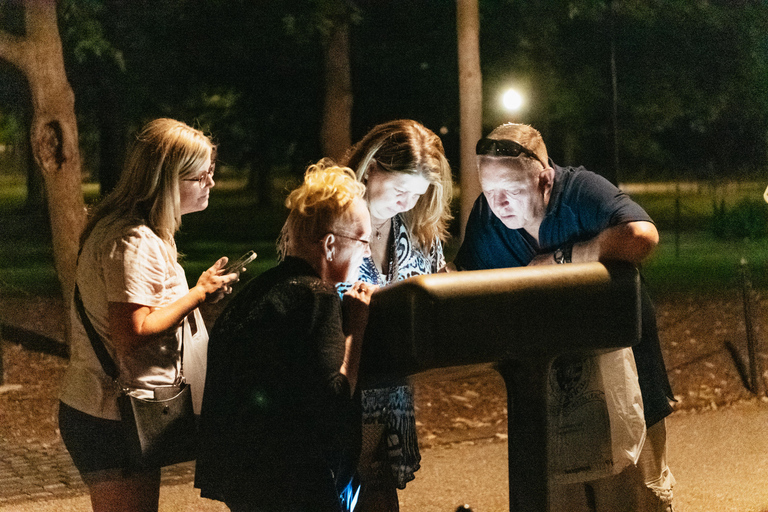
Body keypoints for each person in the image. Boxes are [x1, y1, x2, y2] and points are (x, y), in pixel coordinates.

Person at [454, 123, 676, 512]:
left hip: (629, 382)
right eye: (489, 192)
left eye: (512, 190)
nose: (499, 203)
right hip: (549, 395)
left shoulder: (581, 191)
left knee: (636, 498)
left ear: (545, 177)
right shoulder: (489, 220)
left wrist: (561, 259)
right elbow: (463, 274)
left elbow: (642, 236)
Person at [58, 118, 237, 512]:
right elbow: (132, 332)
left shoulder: (136, 232)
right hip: (112, 414)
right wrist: (198, 294)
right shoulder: (133, 241)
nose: (211, 182)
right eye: (202, 175)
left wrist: (198, 294)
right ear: (169, 179)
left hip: (114, 409)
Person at [195, 160, 376, 512]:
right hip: (292, 480)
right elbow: (334, 399)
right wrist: (356, 329)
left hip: (241, 473)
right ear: (329, 245)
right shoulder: (316, 298)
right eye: (363, 241)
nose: (367, 253)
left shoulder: (260, 291)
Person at [339, 119, 454, 511]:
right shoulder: (326, 220)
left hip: (393, 389)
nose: (408, 202)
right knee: (335, 492)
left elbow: (439, 288)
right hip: (340, 387)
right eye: (402, 189)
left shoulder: (418, 227)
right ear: (372, 167)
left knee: (381, 492)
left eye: (418, 193)